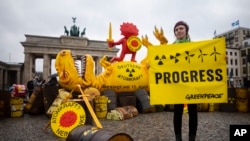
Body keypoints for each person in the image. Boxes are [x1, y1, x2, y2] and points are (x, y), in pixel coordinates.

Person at [172, 21, 198, 141]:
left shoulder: (195, 47)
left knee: (193, 112)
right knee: (177, 112)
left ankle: (192, 137)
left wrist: (221, 59)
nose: (178, 31)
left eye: (181, 28)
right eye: (176, 30)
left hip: (191, 84)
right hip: (177, 85)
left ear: (186, 30)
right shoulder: (170, 48)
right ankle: (178, 138)